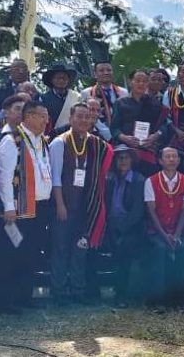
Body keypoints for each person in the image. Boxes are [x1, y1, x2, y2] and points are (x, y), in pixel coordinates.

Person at [49, 103, 114, 305]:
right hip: (64, 204)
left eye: (88, 117)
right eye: (80, 116)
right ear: (71, 118)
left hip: (86, 205)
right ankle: (59, 291)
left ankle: (78, 290)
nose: (84, 120)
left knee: (80, 248)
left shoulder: (95, 144)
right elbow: (55, 177)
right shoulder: (59, 143)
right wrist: (60, 204)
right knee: (61, 249)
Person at [0, 100, 53, 315]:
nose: (46, 121)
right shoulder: (12, 141)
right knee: (13, 253)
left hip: (40, 205)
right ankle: (6, 300)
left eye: (46, 116)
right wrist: (8, 206)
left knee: (31, 252)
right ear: (28, 117)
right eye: (42, 116)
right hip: (19, 207)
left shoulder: (42, 141)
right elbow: (4, 177)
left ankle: (24, 296)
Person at [144, 147, 184, 312]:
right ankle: (159, 301)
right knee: (160, 249)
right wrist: (165, 236)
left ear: (179, 160)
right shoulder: (151, 181)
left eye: (174, 156)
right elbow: (151, 212)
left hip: (177, 230)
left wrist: (176, 235)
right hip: (157, 231)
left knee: (183, 249)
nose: (171, 159)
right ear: (160, 161)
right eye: (168, 156)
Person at [104, 145, 146, 308]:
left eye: (126, 157)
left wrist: (121, 229)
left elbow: (137, 212)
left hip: (131, 228)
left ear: (132, 160)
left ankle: (121, 295)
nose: (123, 161)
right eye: (119, 158)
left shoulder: (139, 180)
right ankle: (91, 292)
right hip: (110, 225)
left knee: (124, 251)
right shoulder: (109, 179)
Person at [111, 69, 168, 173]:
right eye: (138, 81)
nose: (141, 84)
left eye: (144, 81)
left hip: (147, 150)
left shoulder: (155, 103)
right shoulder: (120, 103)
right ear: (130, 82)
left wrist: (155, 136)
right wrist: (124, 137)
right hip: (126, 150)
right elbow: (114, 128)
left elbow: (164, 126)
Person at [81, 61, 128, 127]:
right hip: (97, 130)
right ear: (95, 74)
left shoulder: (123, 92)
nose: (106, 73)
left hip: (120, 130)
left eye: (109, 70)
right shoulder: (87, 93)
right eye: (101, 70)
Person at [40, 64, 82, 133]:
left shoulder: (77, 97)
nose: (61, 80)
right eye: (58, 78)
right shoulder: (43, 99)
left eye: (64, 78)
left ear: (68, 80)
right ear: (52, 80)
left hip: (74, 134)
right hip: (52, 135)